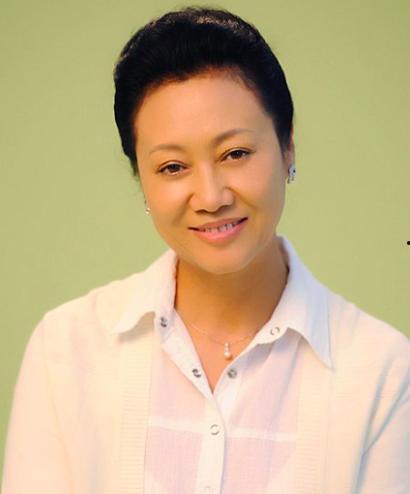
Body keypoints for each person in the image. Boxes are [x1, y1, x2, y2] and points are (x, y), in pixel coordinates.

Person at [2, 6, 409, 494]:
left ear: (288, 147)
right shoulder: (66, 351)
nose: (211, 197)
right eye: (173, 167)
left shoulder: (381, 371)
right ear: (142, 179)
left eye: (235, 154)